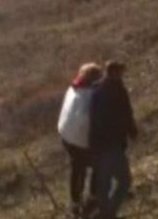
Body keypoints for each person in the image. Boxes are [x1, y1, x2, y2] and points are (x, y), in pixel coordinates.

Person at [90, 61, 138, 219]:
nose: (122, 76)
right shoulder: (118, 90)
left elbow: (92, 117)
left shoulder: (96, 90)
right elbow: (127, 114)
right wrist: (133, 133)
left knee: (104, 184)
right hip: (113, 144)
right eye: (120, 72)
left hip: (97, 144)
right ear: (115, 73)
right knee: (124, 180)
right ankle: (109, 213)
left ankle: (105, 213)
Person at [58, 63, 103, 218]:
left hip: (66, 136)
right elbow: (90, 121)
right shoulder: (93, 96)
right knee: (100, 163)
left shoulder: (73, 89)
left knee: (77, 168)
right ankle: (93, 197)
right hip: (81, 139)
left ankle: (75, 202)